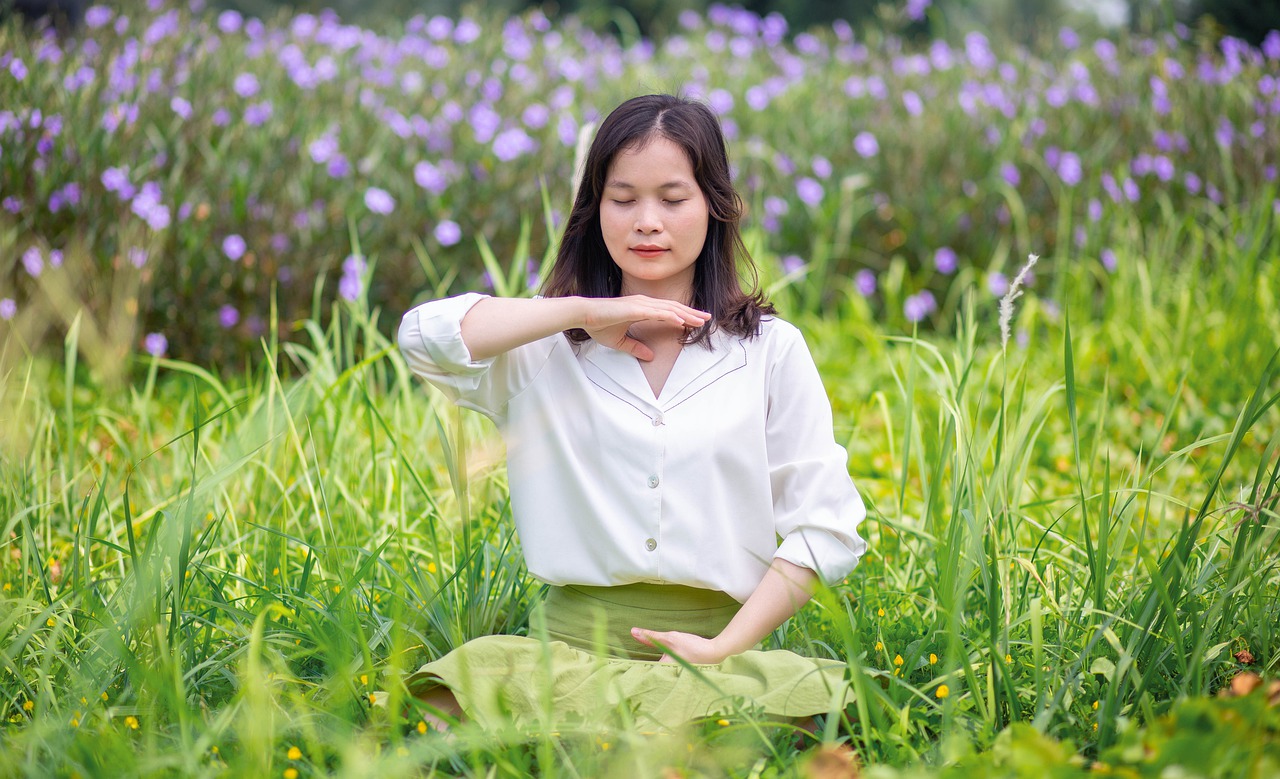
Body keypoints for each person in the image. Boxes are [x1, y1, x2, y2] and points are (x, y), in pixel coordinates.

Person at [397, 93, 868, 735]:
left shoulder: (770, 351)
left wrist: (724, 647)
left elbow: (825, 527)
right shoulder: (543, 347)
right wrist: (583, 312)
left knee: (814, 727)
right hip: (559, 660)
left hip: (722, 662)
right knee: (438, 716)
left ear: (715, 208)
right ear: (595, 213)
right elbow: (424, 336)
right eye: (623, 200)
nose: (648, 222)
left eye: (673, 199)